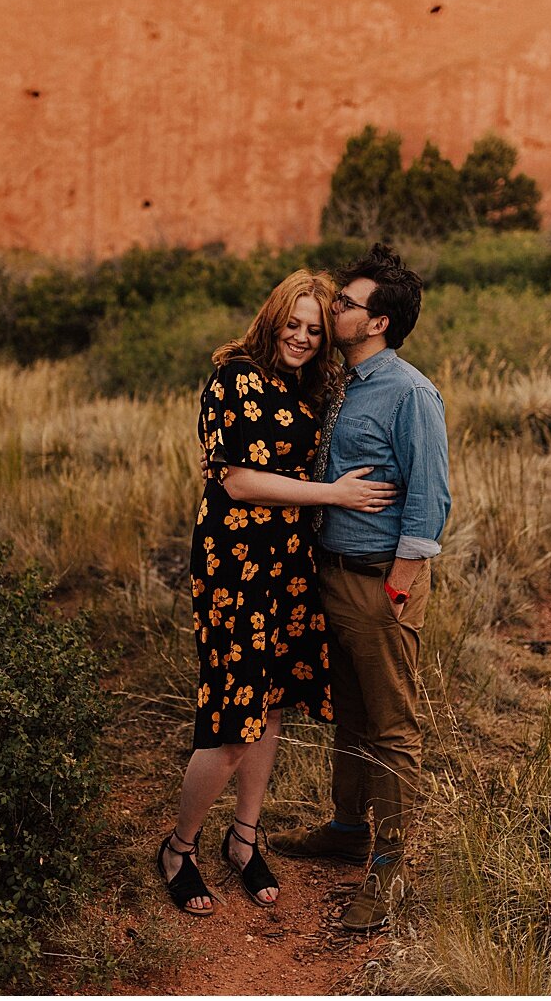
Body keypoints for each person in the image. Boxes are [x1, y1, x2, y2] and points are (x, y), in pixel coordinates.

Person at [156, 270, 394, 916]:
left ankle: (244, 838)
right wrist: (335, 495)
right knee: (235, 717)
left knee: (276, 699)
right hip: (234, 560)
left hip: (287, 562)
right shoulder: (233, 377)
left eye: (315, 331)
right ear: (273, 318)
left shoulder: (309, 386)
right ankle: (179, 848)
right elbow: (236, 481)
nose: (303, 337)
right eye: (294, 324)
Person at [270, 243, 451, 934]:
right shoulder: (340, 382)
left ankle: (390, 864)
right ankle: (347, 828)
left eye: (344, 303)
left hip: (379, 584)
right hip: (327, 575)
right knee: (347, 713)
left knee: (391, 727)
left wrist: (399, 587)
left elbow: (430, 497)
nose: (332, 308)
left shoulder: (410, 392)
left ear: (376, 322)